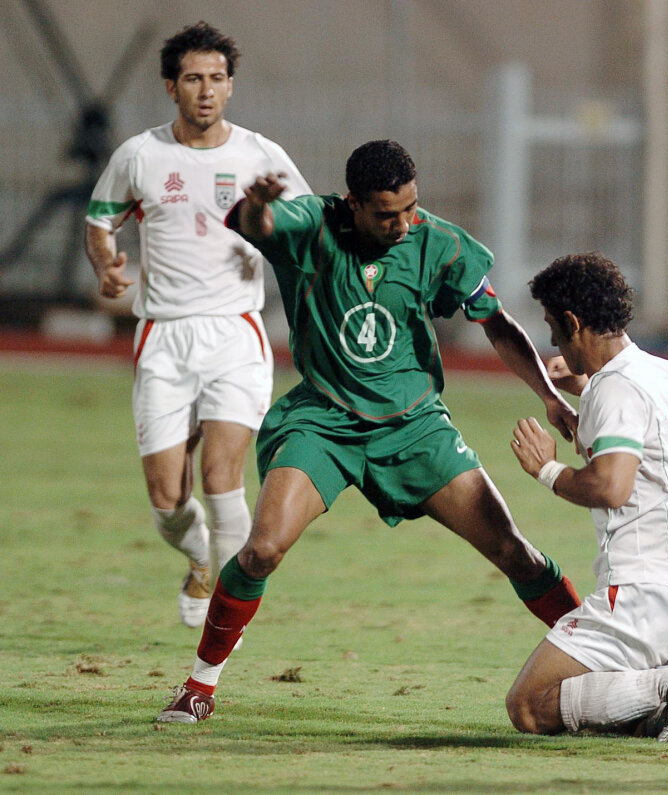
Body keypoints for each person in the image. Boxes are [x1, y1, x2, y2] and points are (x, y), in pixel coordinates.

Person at [155, 140, 582, 723]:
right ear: (352, 203)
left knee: (515, 552)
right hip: (324, 422)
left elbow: (496, 323)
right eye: (386, 215)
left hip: (415, 428)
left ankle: (604, 662)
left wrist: (549, 396)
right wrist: (256, 207)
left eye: (410, 208)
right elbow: (261, 225)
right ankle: (199, 686)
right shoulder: (314, 223)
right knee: (261, 551)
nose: (403, 225)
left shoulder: (438, 242)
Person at [84, 22, 311, 630]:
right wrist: (106, 267)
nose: (206, 90)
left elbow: (309, 224)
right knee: (167, 499)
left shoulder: (261, 155)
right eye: (192, 79)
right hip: (163, 335)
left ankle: (226, 621)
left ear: (231, 86)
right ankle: (198, 557)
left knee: (221, 477)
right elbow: (100, 221)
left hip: (236, 331)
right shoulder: (140, 156)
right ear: (171, 87)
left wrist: (270, 224)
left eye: (216, 78)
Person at [503, 252, 668, 743]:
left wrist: (546, 469)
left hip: (642, 596)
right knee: (625, 710)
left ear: (573, 322)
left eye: (554, 329)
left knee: (529, 705)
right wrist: (584, 386)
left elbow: (610, 486)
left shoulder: (616, 388)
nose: (554, 344)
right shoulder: (661, 371)